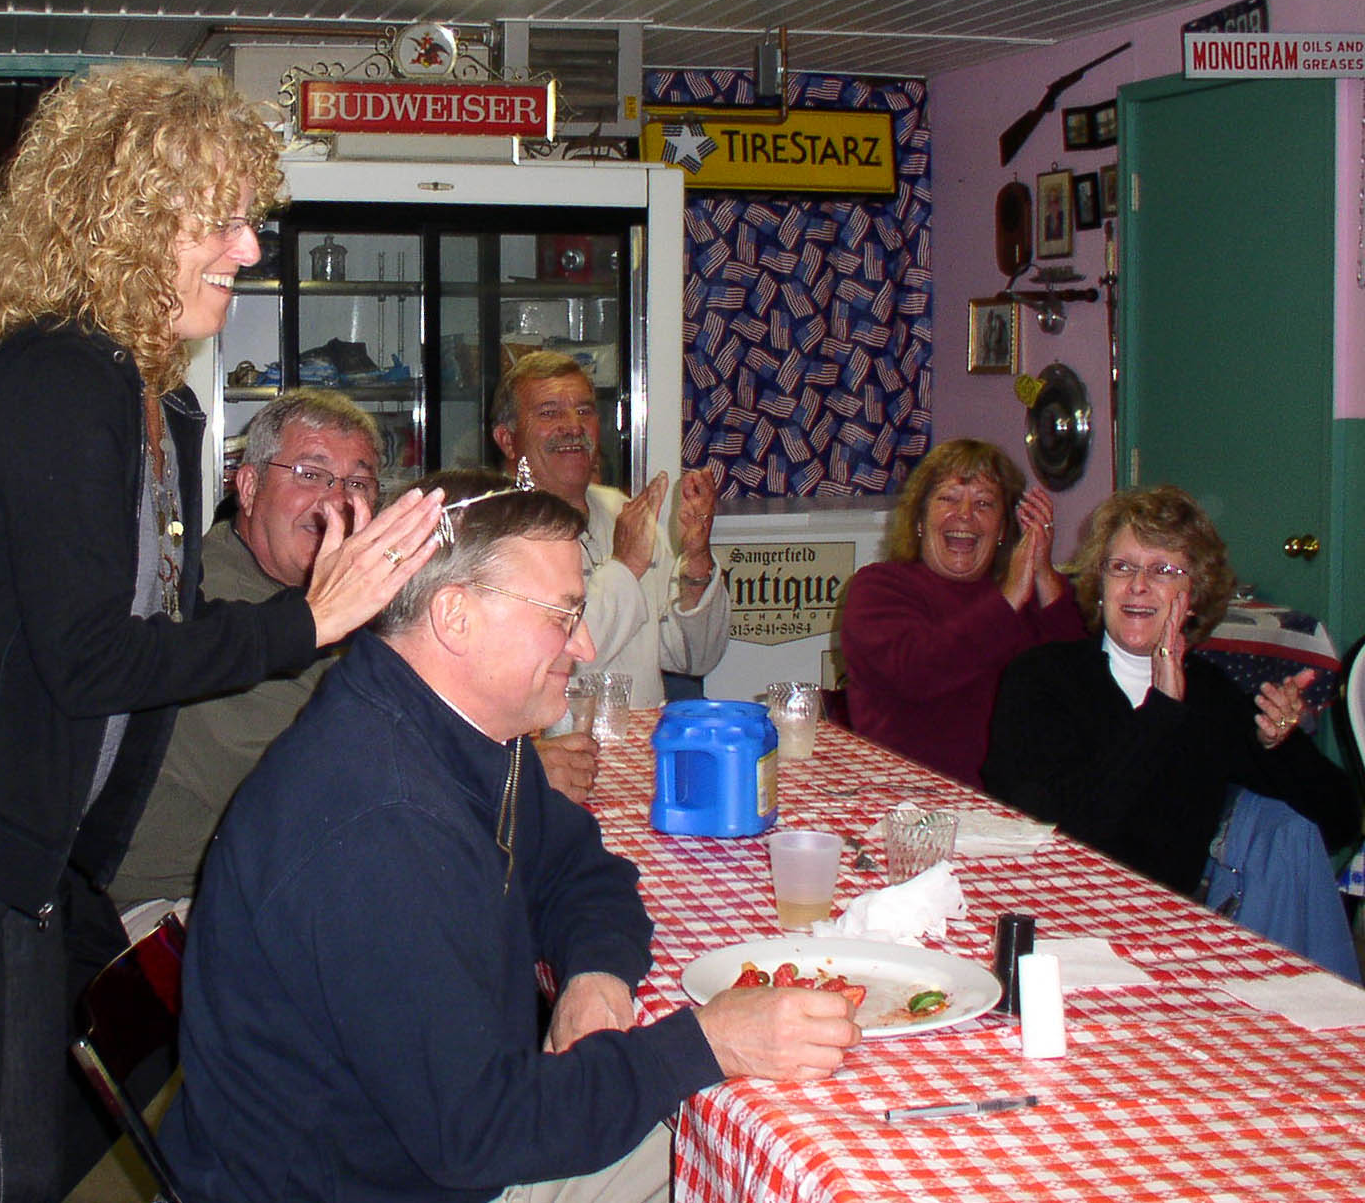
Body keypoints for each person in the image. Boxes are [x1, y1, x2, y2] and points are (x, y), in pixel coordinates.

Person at [0, 66, 442, 1203]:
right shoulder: (62, 376)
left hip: (11, 847)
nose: (248, 249)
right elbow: (93, 656)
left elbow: (155, 632)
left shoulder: (157, 396)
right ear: (129, 217)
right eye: (223, 219)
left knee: (22, 1170)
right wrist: (306, 621)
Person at [161, 470, 861, 1203]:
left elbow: (580, 869)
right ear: (454, 616)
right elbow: (479, 1135)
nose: (586, 645)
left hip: (437, 1146)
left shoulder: (455, 733)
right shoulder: (378, 824)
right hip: (387, 1181)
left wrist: (595, 973)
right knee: (773, 1161)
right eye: (564, 615)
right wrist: (710, 1041)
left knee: (761, 1137)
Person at [112, 391, 597, 917]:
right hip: (183, 907)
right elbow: (327, 789)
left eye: (358, 483)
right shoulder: (205, 603)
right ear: (248, 487)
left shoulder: (360, 601)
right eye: (308, 474)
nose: (334, 501)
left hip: (327, 866)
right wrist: (509, 777)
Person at [982, 485, 1359, 898]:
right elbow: (1061, 838)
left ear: (1194, 595)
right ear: (1100, 582)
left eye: (1163, 570)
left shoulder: (1211, 695)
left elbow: (1342, 819)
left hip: (1166, 930)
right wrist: (1160, 712)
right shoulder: (1040, 677)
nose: (1138, 585)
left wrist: (1280, 742)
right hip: (1047, 905)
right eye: (1121, 567)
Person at [490, 350, 729, 710]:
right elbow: (560, 661)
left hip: (639, 749)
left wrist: (696, 561)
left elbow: (694, 658)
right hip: (553, 751)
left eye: (584, 410)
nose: (572, 426)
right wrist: (625, 567)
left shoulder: (621, 511)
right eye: (549, 412)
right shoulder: (493, 529)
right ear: (508, 440)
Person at [839, 438, 1085, 786]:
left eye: (984, 503)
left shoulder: (1029, 596)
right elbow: (918, 671)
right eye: (948, 499)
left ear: (1002, 530)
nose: (965, 515)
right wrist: (1010, 597)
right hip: (912, 800)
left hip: (1019, 805)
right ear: (920, 519)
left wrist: (1042, 570)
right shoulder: (879, 587)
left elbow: (1079, 683)